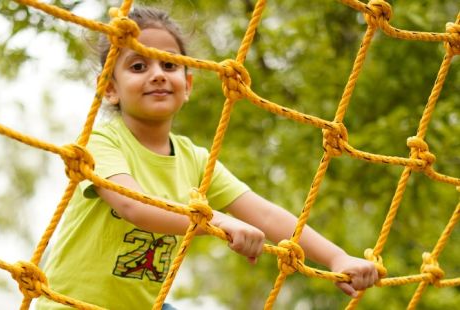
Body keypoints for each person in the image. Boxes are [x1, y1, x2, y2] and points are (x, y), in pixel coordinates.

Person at [36, 6, 379, 309]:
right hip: (72, 306)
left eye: (169, 64)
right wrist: (218, 221)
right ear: (109, 88)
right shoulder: (101, 142)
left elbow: (265, 214)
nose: (157, 73)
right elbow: (133, 206)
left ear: (188, 84)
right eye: (138, 65)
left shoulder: (196, 159)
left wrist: (335, 256)